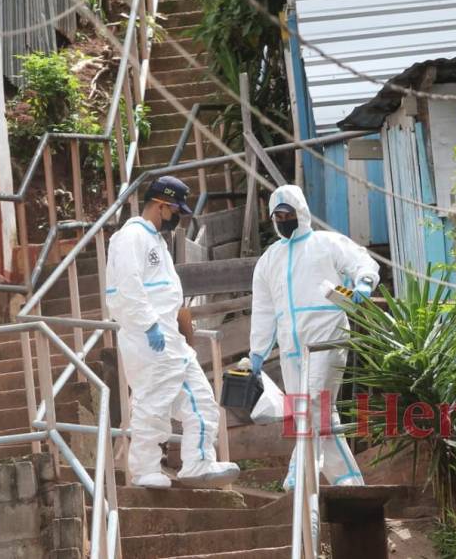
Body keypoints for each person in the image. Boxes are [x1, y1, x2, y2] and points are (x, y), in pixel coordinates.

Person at [106, 176, 240, 488]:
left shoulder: (157, 241)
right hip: (147, 336)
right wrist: (149, 324)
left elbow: (168, 294)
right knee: (152, 402)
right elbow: (127, 286)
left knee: (201, 400)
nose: (178, 217)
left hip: (169, 339)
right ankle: (144, 470)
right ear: (162, 206)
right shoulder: (131, 238)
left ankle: (198, 463)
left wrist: (176, 331)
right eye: (176, 210)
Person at [249, 184, 380, 489]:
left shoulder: (326, 243)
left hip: (326, 337)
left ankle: (300, 472)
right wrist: (257, 351)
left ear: (301, 212)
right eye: (276, 215)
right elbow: (264, 308)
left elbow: (362, 262)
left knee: (311, 404)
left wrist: (362, 284)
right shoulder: (269, 259)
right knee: (316, 412)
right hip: (291, 345)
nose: (282, 219)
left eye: (287, 213)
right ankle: (349, 481)